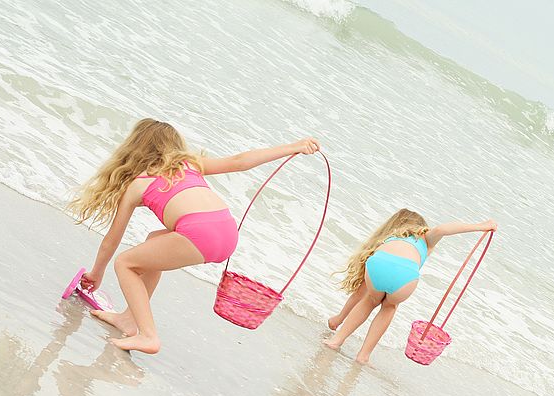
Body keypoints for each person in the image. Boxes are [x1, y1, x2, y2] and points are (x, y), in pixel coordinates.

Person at [68, 118, 319, 354]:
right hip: (227, 233)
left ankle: (148, 335)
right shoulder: (190, 165)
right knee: (155, 242)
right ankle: (128, 319)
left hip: (199, 234)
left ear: (134, 150)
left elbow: (113, 239)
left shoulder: (139, 184)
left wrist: (97, 273)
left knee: (125, 262)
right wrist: (293, 147)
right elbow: (240, 161)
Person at [325, 208, 496, 364]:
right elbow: (441, 230)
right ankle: (363, 355)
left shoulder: (388, 240)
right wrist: (481, 226)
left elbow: (359, 293)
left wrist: (339, 318)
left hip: (377, 264)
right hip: (406, 274)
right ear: (420, 227)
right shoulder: (425, 238)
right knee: (389, 306)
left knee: (369, 300)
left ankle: (336, 341)